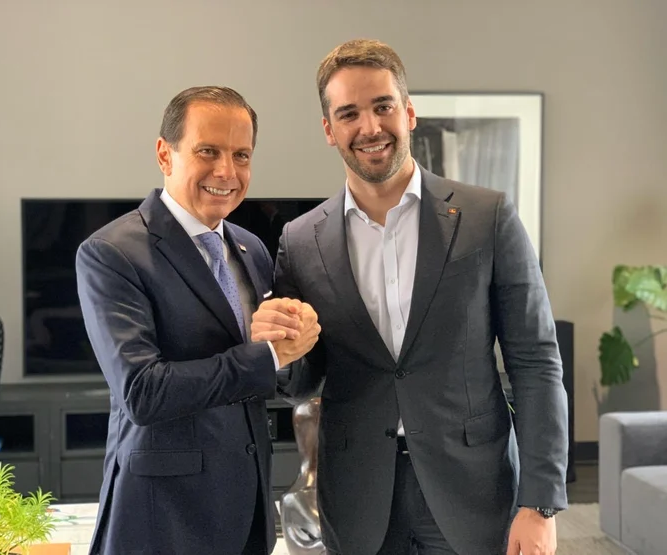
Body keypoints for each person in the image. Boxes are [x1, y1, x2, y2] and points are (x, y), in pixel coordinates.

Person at [251, 39, 569, 555]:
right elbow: (302, 381)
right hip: (357, 498)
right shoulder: (302, 240)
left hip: (473, 491)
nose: (370, 127)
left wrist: (540, 503)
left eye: (383, 106)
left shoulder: (486, 217)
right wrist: (279, 348)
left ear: (409, 112)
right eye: (349, 114)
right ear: (329, 130)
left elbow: (536, 361)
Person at [76, 86, 320, 555]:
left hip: (246, 516)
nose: (226, 171)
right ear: (164, 154)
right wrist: (267, 356)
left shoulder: (251, 248)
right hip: (160, 521)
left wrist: (297, 341)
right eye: (208, 151)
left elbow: (276, 376)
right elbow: (142, 392)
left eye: (241, 155)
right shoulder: (110, 253)